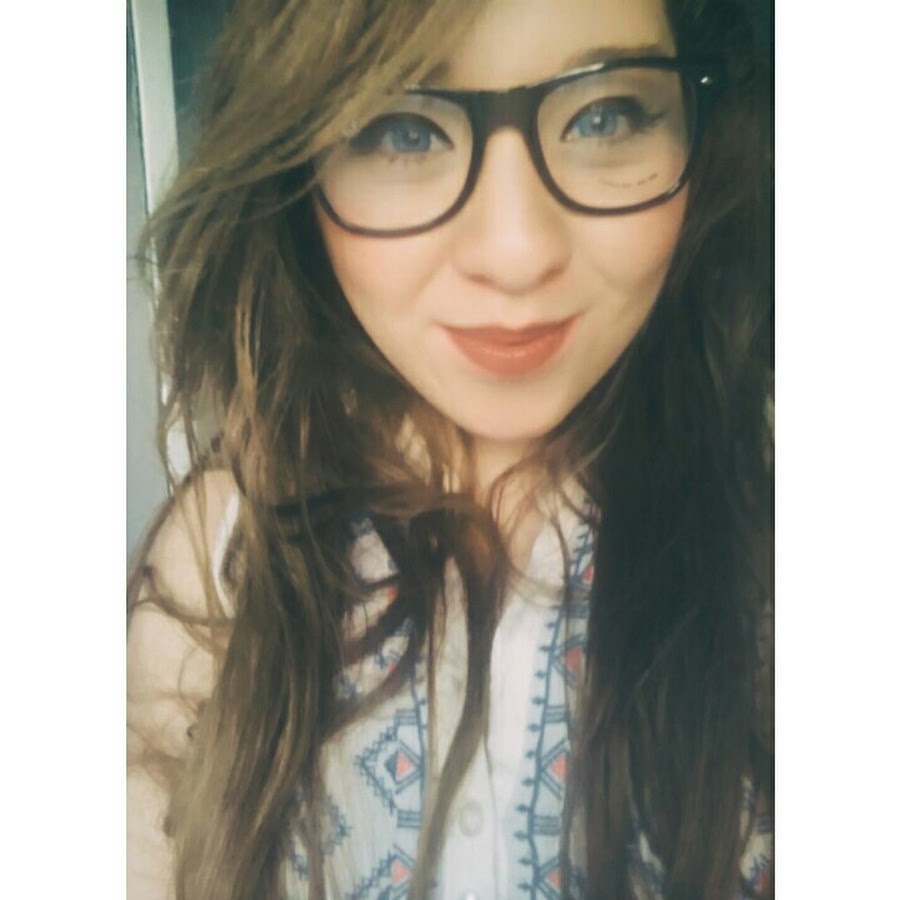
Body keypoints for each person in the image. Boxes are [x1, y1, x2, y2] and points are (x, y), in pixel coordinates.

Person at [127, 0, 774, 897]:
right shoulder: (223, 554)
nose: (516, 253)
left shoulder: (773, 507)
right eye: (402, 129)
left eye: (606, 116)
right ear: (296, 164)